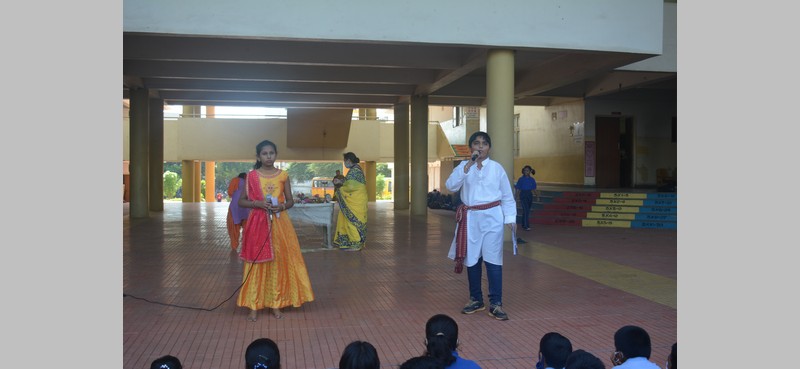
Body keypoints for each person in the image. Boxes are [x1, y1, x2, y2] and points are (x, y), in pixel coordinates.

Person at [237, 139, 315, 321]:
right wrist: (256, 203)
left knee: (278, 263)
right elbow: (242, 200)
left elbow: (290, 200)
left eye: (271, 153)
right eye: (264, 153)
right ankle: (253, 305)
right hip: (258, 223)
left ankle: (276, 304)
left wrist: (280, 207)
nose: (268, 157)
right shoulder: (252, 176)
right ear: (258, 156)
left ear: (275, 154)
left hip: (280, 225)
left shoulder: (283, 175)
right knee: (256, 264)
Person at [445, 131, 516, 321]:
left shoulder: (496, 168)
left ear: (489, 148)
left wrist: (510, 218)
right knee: (472, 260)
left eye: (484, 144)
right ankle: (475, 299)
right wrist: (467, 166)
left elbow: (507, 196)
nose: (480, 147)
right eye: (476, 144)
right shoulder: (463, 167)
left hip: (492, 217)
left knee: (493, 260)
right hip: (471, 218)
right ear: (471, 148)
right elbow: (451, 186)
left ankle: (496, 303)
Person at [334, 152, 368, 251]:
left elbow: (351, 186)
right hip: (354, 201)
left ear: (348, 160)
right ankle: (348, 242)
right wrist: (341, 182)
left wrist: (339, 185)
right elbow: (348, 183)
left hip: (355, 202)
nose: (344, 163)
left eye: (344, 161)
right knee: (347, 221)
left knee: (352, 222)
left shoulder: (355, 171)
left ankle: (356, 243)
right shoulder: (354, 170)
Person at [227, 172, 251, 251]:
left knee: (234, 226)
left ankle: (234, 245)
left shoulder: (235, 180)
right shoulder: (249, 182)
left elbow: (230, 192)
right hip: (247, 205)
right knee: (247, 226)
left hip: (235, 206)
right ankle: (245, 244)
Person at [514, 165, 538, 231]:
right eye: (524, 170)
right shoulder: (521, 179)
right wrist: (516, 197)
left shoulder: (532, 180)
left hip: (529, 195)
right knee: (526, 210)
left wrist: (537, 196)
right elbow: (518, 189)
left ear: (530, 171)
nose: (525, 172)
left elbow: (534, 189)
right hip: (523, 195)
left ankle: (523, 223)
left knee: (526, 211)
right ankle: (526, 225)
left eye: (527, 170)